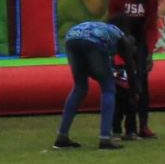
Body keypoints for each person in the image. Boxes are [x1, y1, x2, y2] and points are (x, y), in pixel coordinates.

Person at [54, 17, 129, 150]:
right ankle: (105, 138)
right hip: (93, 41)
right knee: (108, 88)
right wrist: (132, 75)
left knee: (79, 87)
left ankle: (62, 136)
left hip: (72, 38)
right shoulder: (117, 32)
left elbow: (91, 68)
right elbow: (127, 52)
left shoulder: (102, 28)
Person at [110, 0, 159, 142]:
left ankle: (143, 126)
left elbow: (151, 26)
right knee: (122, 85)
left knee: (142, 83)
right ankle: (120, 127)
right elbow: (113, 24)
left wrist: (149, 52)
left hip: (140, 44)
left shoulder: (151, 0)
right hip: (121, 42)